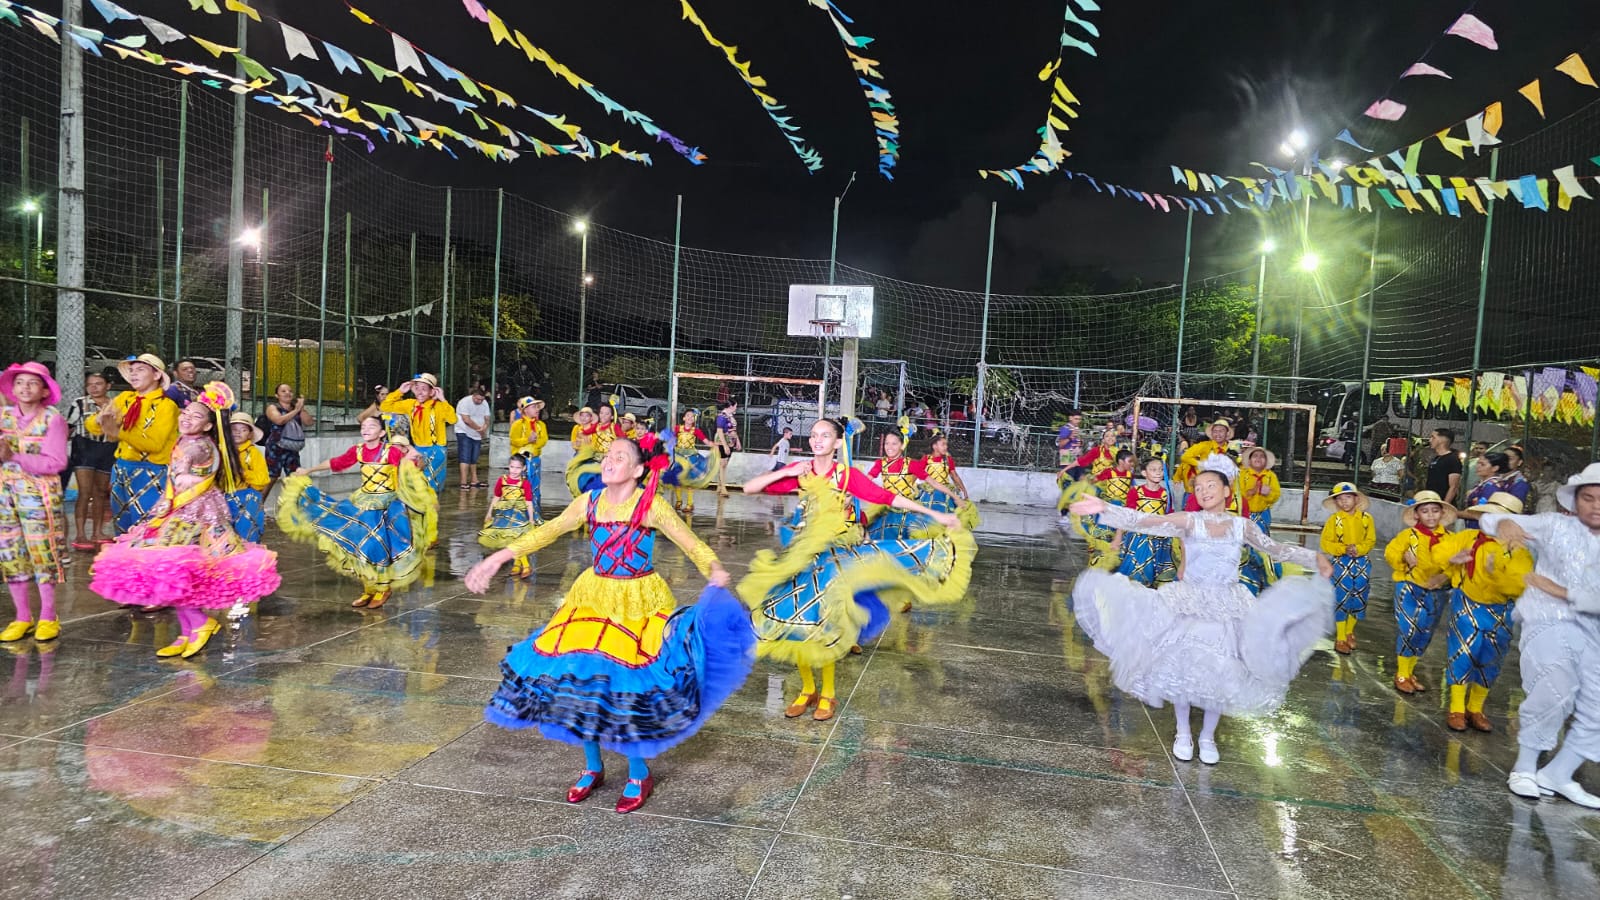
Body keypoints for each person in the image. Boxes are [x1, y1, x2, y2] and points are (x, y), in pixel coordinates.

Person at [465, 436, 753, 814]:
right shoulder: (589, 501)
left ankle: (638, 773)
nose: (608, 461)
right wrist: (497, 558)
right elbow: (548, 531)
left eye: (619, 456)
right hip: (593, 596)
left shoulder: (651, 505)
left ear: (638, 470)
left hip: (637, 602)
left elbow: (692, 544)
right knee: (582, 681)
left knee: (625, 688)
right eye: (606, 455)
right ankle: (592, 767)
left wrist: (713, 568)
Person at [1069, 454, 1334, 765]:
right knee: (1183, 668)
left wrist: (1313, 558)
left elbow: (1276, 549)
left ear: (1227, 490)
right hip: (1189, 603)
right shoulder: (1188, 520)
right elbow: (1144, 521)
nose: (1204, 491)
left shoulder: (1242, 525)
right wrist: (1105, 509)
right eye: (1198, 487)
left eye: (1211, 485)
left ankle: (1207, 737)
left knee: (1221, 673)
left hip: (1227, 606)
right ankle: (1183, 732)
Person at [741, 419, 969, 721]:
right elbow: (749, 487)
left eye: (825, 435)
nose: (817, 440)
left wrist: (935, 515)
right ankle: (807, 689)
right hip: (801, 558)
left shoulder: (846, 475)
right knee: (795, 624)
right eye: (813, 435)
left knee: (825, 625)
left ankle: (828, 694)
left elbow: (886, 497)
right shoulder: (801, 471)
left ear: (838, 443)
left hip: (833, 559)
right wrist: (786, 472)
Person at [89, 383, 281, 658]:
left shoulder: (199, 446)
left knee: (174, 569)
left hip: (195, 515)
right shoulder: (185, 441)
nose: (187, 418)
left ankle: (200, 623)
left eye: (196, 416)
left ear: (208, 426)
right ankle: (188, 631)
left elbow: (184, 476)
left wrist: (176, 484)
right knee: (177, 573)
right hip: (181, 510)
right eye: (186, 413)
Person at [1482, 463, 1600, 808]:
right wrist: (1504, 523)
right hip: (1548, 621)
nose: (1596, 506)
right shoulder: (1554, 525)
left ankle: (1559, 774)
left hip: (1592, 628)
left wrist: (1564, 592)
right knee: (1554, 685)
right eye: (1589, 498)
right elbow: (1489, 520)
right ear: (1575, 500)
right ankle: (1525, 767)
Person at [278, 414, 437, 609]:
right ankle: (369, 588)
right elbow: (337, 463)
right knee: (359, 545)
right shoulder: (358, 450)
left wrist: (415, 462)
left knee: (375, 545)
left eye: (372, 426)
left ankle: (383, 587)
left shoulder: (390, 451)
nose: (366, 429)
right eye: (364, 426)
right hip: (364, 501)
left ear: (381, 432)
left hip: (384, 504)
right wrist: (308, 471)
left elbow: (410, 466)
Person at [1433, 492, 1532, 733]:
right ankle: (1457, 708)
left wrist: (1495, 571)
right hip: (1466, 604)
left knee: (1491, 658)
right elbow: (1439, 553)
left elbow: (1519, 585)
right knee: (1462, 654)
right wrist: (1452, 560)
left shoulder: (1518, 551)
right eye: (1488, 516)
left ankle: (1475, 708)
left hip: (1501, 611)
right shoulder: (1468, 537)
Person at [0, 362, 69, 644]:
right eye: (19, 382)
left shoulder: (53, 419)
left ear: (44, 391)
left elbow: (57, 462)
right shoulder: (3, 416)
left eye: (32, 383)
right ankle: (22, 617)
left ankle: (48, 616)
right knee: (11, 553)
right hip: (5, 495)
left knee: (43, 552)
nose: (24, 388)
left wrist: (14, 456)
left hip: (39, 496)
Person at [1385, 491, 1456, 694]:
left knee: (1425, 632)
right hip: (1409, 587)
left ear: (1442, 513)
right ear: (1416, 514)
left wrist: (1443, 577)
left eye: (1435, 510)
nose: (1431, 515)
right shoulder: (1408, 536)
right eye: (1425, 511)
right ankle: (1401, 674)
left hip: (1437, 592)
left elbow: (1457, 565)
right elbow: (1390, 553)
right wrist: (1403, 557)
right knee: (1410, 629)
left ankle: (1409, 672)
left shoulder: (1452, 539)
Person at [100, 354, 179, 534]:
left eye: (140, 370)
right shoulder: (125, 398)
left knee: (147, 526)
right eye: (131, 370)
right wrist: (100, 420)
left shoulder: (166, 406)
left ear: (156, 375)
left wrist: (117, 431)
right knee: (122, 524)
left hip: (151, 471)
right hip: (122, 467)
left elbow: (154, 444)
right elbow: (95, 426)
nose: (133, 374)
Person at [865, 429, 961, 542]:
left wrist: (955, 497)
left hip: (907, 509)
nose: (889, 447)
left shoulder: (911, 464)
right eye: (887, 443)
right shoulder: (880, 463)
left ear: (902, 445)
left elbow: (934, 483)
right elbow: (865, 482)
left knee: (919, 535)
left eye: (894, 443)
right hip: (887, 508)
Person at [1322, 483, 1376, 655]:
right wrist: (1343, 549)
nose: (1344, 502)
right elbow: (1325, 542)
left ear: (1356, 499)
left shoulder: (1366, 519)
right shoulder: (1334, 520)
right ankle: (1340, 637)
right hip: (1341, 563)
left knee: (1359, 596)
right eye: (1339, 499)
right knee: (1341, 598)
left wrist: (1359, 549)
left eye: (1348, 497)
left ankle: (1349, 631)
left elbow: (1370, 540)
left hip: (1362, 563)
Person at [380, 373, 457, 494]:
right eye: (417, 388)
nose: (420, 392)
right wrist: (400, 391)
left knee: (430, 487)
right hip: (418, 449)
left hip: (435, 450)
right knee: (414, 485)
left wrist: (443, 399)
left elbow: (453, 419)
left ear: (432, 392)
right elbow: (385, 406)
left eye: (424, 389)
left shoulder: (439, 406)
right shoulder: (411, 404)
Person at [66, 371, 116, 548]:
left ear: (108, 386)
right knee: (85, 492)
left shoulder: (116, 405)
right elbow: (69, 427)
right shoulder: (79, 403)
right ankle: (80, 535)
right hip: (84, 449)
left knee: (101, 492)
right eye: (90, 384)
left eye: (98, 384)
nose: (93, 388)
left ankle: (97, 532)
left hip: (108, 449)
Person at [1115, 457, 1176, 587]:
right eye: (1153, 469)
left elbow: (1170, 516)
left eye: (1161, 469)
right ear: (1144, 473)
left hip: (1160, 540)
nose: (1158, 472)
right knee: (1137, 576)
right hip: (1139, 539)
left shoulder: (1166, 494)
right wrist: (1118, 536)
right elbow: (1127, 515)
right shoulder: (1136, 492)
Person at [480, 454, 537, 578]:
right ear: (508, 466)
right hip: (504, 516)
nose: (514, 470)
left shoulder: (525, 483)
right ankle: (517, 564)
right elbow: (496, 497)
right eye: (512, 467)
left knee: (516, 540)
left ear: (523, 468)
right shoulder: (502, 480)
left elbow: (528, 502)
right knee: (510, 541)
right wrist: (489, 512)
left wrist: (531, 519)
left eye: (518, 468)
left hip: (519, 516)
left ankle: (525, 566)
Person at [1238, 447, 1282, 596]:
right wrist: (1249, 493)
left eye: (1261, 456)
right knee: (1244, 545)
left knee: (1262, 545)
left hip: (1263, 516)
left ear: (1266, 461)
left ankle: (1265, 576)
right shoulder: (1242, 474)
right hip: (1245, 514)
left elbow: (1276, 495)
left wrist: (1268, 494)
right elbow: (1236, 493)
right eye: (1255, 456)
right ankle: (1246, 577)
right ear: (1249, 460)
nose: (1258, 459)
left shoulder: (1270, 476)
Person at [261, 382, 313, 509]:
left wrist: (301, 408)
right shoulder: (272, 407)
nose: (287, 393)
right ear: (276, 395)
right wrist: (296, 410)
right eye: (283, 391)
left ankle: (291, 507)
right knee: (272, 477)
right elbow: (279, 420)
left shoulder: (296, 408)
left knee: (294, 476)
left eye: (290, 391)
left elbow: (309, 422)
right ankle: (257, 506)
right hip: (276, 447)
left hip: (292, 448)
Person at [225, 412, 269, 544]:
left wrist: (242, 472)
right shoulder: (222, 450)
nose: (238, 432)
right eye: (234, 429)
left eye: (243, 430)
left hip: (245, 498)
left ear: (250, 434)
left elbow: (263, 479)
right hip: (223, 497)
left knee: (246, 535)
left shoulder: (253, 453)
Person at [1459, 452, 1529, 527]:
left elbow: (1480, 512)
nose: (1478, 466)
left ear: (1495, 468)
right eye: (1478, 463)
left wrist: (1456, 513)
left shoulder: (1492, 487)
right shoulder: (1484, 484)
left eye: (1482, 464)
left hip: (1480, 527)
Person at [668, 409, 714, 514]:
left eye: (692, 416)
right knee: (677, 478)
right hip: (679, 457)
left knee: (689, 480)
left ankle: (689, 504)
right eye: (688, 415)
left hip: (691, 457)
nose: (690, 417)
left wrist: (714, 446)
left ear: (694, 419)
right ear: (684, 418)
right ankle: (679, 500)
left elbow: (706, 441)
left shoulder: (696, 431)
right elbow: (671, 439)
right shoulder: (677, 428)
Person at [509, 397, 548, 521]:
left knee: (534, 487)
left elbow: (544, 440)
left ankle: (534, 515)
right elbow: (513, 440)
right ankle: (518, 516)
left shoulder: (541, 425)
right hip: (520, 462)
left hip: (535, 460)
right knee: (520, 487)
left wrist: (534, 442)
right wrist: (527, 440)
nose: (537, 409)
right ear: (525, 410)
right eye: (533, 407)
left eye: (537, 407)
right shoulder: (517, 424)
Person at [919, 430, 971, 518]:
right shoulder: (926, 459)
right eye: (943, 444)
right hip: (929, 490)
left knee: (947, 512)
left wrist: (964, 490)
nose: (946, 447)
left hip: (945, 490)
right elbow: (916, 473)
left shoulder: (948, 459)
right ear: (934, 446)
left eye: (946, 445)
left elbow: (954, 476)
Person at [1176, 419, 1234, 494]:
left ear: (1227, 433)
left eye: (1221, 431)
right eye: (1215, 431)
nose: (1218, 434)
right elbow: (1185, 457)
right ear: (1212, 433)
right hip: (1203, 487)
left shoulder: (1231, 449)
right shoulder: (1205, 445)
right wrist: (1201, 464)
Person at [454, 383, 493, 491]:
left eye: (481, 399)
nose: (479, 401)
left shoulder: (484, 402)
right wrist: (479, 429)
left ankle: (474, 480)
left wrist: (485, 427)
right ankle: (463, 482)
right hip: (464, 431)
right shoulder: (464, 402)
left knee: (474, 457)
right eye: (477, 399)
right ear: (473, 396)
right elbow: (466, 420)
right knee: (465, 456)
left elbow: (487, 418)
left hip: (477, 434)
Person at [1424, 428, 1463, 507]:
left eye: (1433, 437)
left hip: (1442, 504)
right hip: (1432, 501)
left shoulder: (1452, 459)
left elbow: (1453, 487)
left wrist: (1444, 505)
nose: (1430, 440)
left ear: (1442, 440)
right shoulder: (1436, 458)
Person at [713, 401, 740, 497]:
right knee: (722, 464)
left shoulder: (731, 416)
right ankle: (723, 488)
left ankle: (719, 486)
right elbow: (719, 431)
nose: (736, 408)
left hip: (731, 441)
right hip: (722, 441)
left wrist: (737, 441)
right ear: (731, 406)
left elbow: (734, 430)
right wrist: (725, 445)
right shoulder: (722, 416)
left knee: (724, 464)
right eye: (735, 406)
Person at [1056, 410, 1086, 480]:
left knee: (1079, 480)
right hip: (1067, 458)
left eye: (1079, 419)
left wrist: (1081, 443)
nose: (1078, 421)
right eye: (1076, 419)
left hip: (1078, 458)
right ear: (1070, 418)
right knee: (1069, 480)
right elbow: (1060, 444)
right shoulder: (1065, 428)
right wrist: (1070, 437)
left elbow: (1078, 442)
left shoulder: (1077, 428)